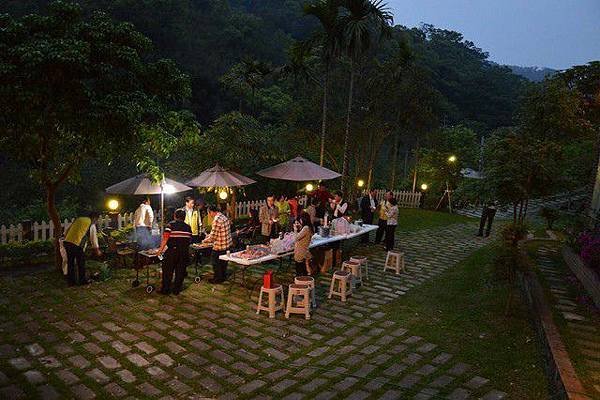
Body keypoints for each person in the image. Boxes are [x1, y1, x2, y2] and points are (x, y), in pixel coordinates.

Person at [155, 209, 192, 295]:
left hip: (172, 251)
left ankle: (166, 289)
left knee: (167, 271)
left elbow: (165, 239)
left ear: (175, 216)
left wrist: (160, 251)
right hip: (184, 251)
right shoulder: (188, 227)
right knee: (180, 271)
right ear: (184, 217)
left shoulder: (170, 225)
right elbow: (189, 239)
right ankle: (176, 290)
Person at [63, 211, 102, 286]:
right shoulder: (91, 225)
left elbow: (67, 231)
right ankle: (82, 281)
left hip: (67, 242)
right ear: (94, 218)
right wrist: (97, 250)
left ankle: (71, 282)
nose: (97, 222)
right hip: (77, 245)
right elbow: (93, 239)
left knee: (70, 263)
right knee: (81, 263)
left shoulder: (79, 219)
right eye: (97, 220)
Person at [202, 205, 233, 284]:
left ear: (211, 212)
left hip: (220, 245)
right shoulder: (223, 216)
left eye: (209, 213)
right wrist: (209, 236)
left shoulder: (216, 219)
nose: (209, 215)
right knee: (223, 263)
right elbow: (219, 231)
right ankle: (223, 276)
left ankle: (217, 278)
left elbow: (213, 237)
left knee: (215, 262)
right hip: (227, 244)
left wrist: (204, 241)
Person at [294, 212, 314, 276]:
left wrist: (295, 230)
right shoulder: (309, 227)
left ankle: (300, 282)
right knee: (303, 269)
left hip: (301, 251)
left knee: (299, 270)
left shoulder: (306, 228)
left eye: (300, 220)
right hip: (304, 250)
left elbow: (296, 238)